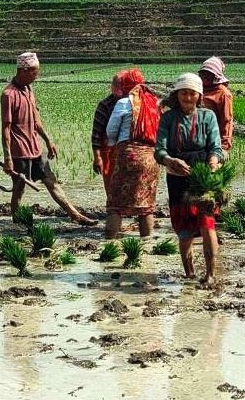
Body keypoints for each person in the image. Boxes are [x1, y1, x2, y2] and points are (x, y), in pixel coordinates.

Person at [1, 52, 96, 226]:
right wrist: (8, 158)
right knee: (19, 187)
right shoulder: (9, 95)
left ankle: (74, 214)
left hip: (35, 147)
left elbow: (36, 121)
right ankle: (16, 220)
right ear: (24, 70)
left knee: (51, 181)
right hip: (19, 150)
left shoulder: (29, 90)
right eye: (34, 73)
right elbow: (6, 128)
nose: (36, 76)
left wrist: (48, 140)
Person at [154, 73, 225, 286]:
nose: (187, 97)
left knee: (207, 224)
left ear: (199, 95)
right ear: (177, 95)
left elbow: (216, 147)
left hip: (203, 178)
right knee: (184, 229)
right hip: (177, 177)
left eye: (192, 93)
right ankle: (190, 273)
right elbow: (159, 150)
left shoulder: (208, 116)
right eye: (183, 93)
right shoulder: (168, 118)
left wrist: (213, 161)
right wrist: (170, 160)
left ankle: (211, 273)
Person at [103, 69, 161, 240]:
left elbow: (111, 130)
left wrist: (113, 145)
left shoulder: (124, 103)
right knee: (146, 205)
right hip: (152, 157)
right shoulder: (154, 102)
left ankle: (110, 242)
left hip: (129, 156)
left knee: (116, 204)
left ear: (125, 85)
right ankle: (146, 242)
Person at [91, 75, 123, 204]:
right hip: (109, 150)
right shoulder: (105, 105)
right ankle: (114, 209)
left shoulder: (133, 103)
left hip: (126, 149)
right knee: (111, 185)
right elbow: (96, 133)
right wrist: (97, 157)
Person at [199, 56, 234, 155]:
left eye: (209, 74)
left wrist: (224, 146)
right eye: (203, 73)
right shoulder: (198, 89)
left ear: (216, 75)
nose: (205, 76)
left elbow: (227, 121)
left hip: (213, 141)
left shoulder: (223, 94)